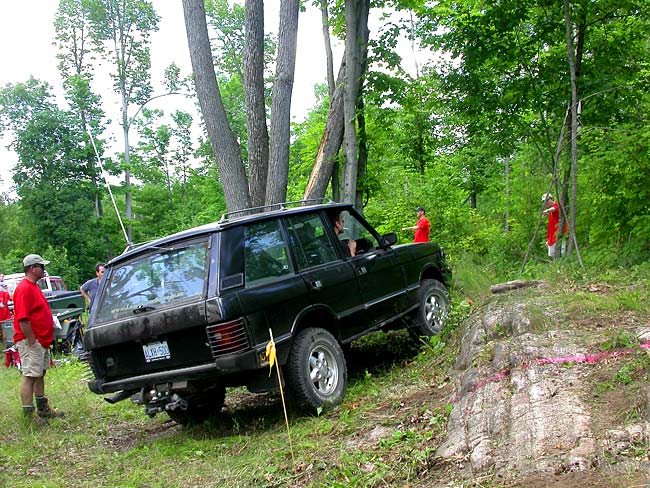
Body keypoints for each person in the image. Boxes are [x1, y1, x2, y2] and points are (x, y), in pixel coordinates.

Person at [13, 254, 64, 424]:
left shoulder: (34, 286)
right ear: (32, 268)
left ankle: (43, 408)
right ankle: (29, 415)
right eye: (41, 266)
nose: (43, 269)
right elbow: (23, 318)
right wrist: (31, 340)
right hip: (31, 341)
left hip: (41, 340)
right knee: (30, 375)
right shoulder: (24, 288)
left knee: (40, 373)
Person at [542, 193, 567, 258]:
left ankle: (562, 267)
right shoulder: (550, 213)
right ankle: (557, 267)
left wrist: (547, 211)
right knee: (553, 256)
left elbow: (554, 208)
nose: (546, 202)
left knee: (561, 253)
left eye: (547, 200)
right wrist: (548, 239)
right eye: (544, 201)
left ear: (551, 199)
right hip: (552, 237)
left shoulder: (557, 205)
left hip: (559, 235)